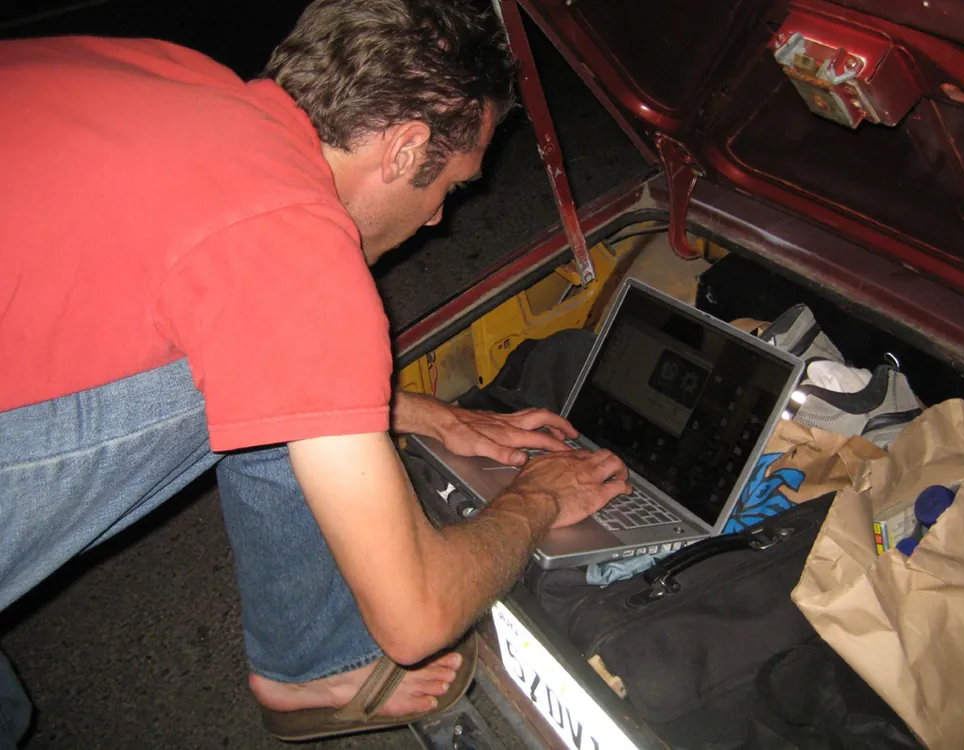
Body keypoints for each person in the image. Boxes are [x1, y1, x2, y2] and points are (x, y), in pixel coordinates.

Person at [0, 0, 631, 743]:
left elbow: (231, 306)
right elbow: (415, 617)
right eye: (449, 188)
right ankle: (312, 668)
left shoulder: (186, 77)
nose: (435, 220)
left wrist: (433, 414)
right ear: (404, 150)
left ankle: (309, 663)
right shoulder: (296, 254)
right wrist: (535, 499)